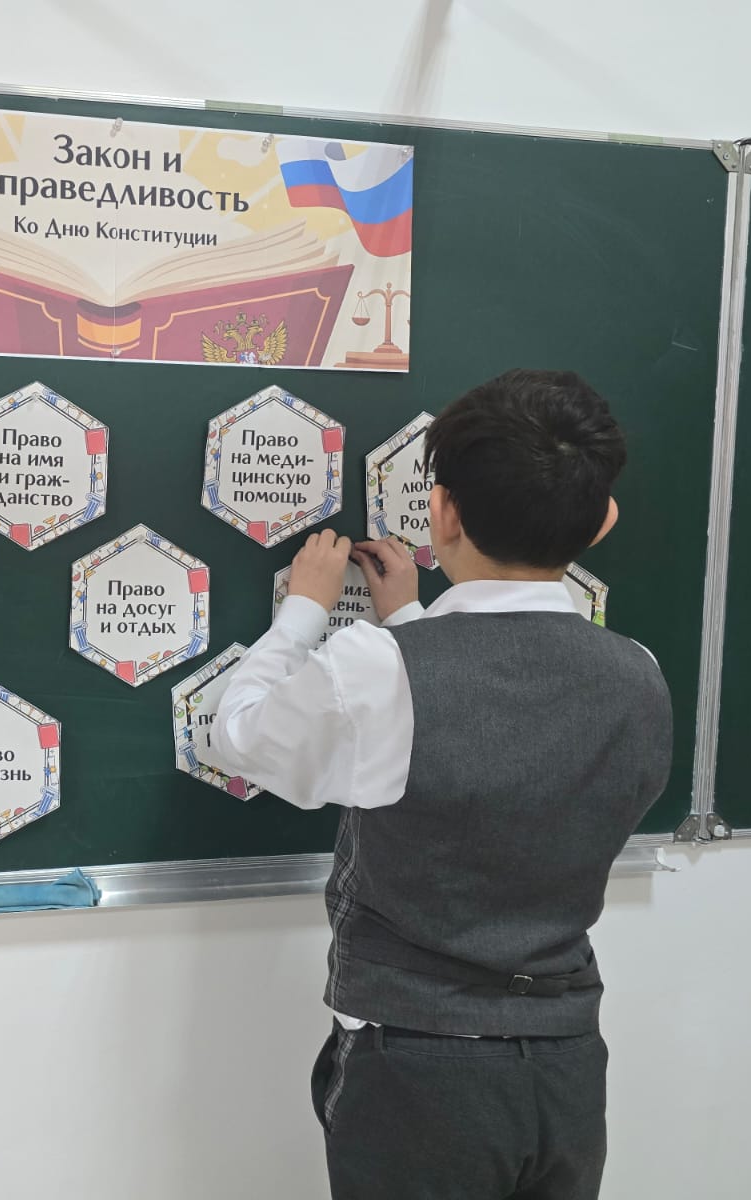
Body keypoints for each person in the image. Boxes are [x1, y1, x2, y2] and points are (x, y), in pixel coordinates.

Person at [211, 368, 672, 1199]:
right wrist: (407, 622)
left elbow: (240, 734)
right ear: (603, 519)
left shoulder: (377, 667)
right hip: (567, 1064)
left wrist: (305, 610)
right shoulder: (638, 673)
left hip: (418, 1069)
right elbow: (510, 748)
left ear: (444, 511)